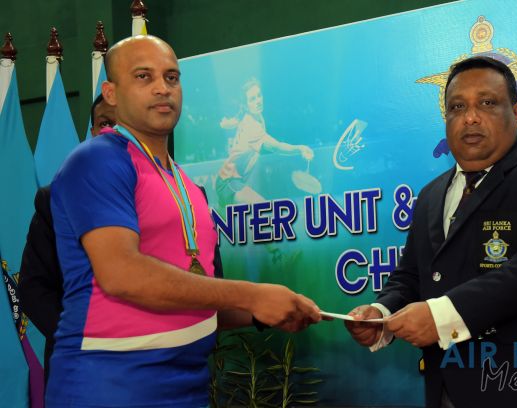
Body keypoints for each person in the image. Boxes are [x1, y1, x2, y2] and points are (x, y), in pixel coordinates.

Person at [45, 35, 321, 408]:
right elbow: (122, 274)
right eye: (144, 76)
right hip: (109, 385)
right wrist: (253, 295)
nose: (163, 88)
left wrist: (263, 313)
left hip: (187, 388)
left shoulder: (186, 184)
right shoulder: (97, 160)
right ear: (110, 93)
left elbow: (192, 296)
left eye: (171, 77)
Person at [344, 56, 517, 408]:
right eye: (457, 107)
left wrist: (440, 316)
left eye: (487, 103)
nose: (470, 117)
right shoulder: (431, 194)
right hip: (445, 389)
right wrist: (381, 314)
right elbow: (412, 276)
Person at [19, 94, 116, 383]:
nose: (112, 131)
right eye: (104, 123)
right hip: (77, 368)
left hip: (152, 369)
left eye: (121, 124)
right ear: (93, 131)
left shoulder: (172, 196)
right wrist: (81, 339)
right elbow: (33, 288)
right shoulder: (54, 200)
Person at [217, 78, 313, 206]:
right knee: (263, 207)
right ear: (246, 104)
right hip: (229, 182)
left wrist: (229, 123)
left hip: (234, 181)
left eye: (259, 96)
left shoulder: (256, 117)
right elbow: (277, 147)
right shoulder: (252, 126)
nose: (258, 101)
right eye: (252, 99)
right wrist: (300, 148)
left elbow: (238, 118)